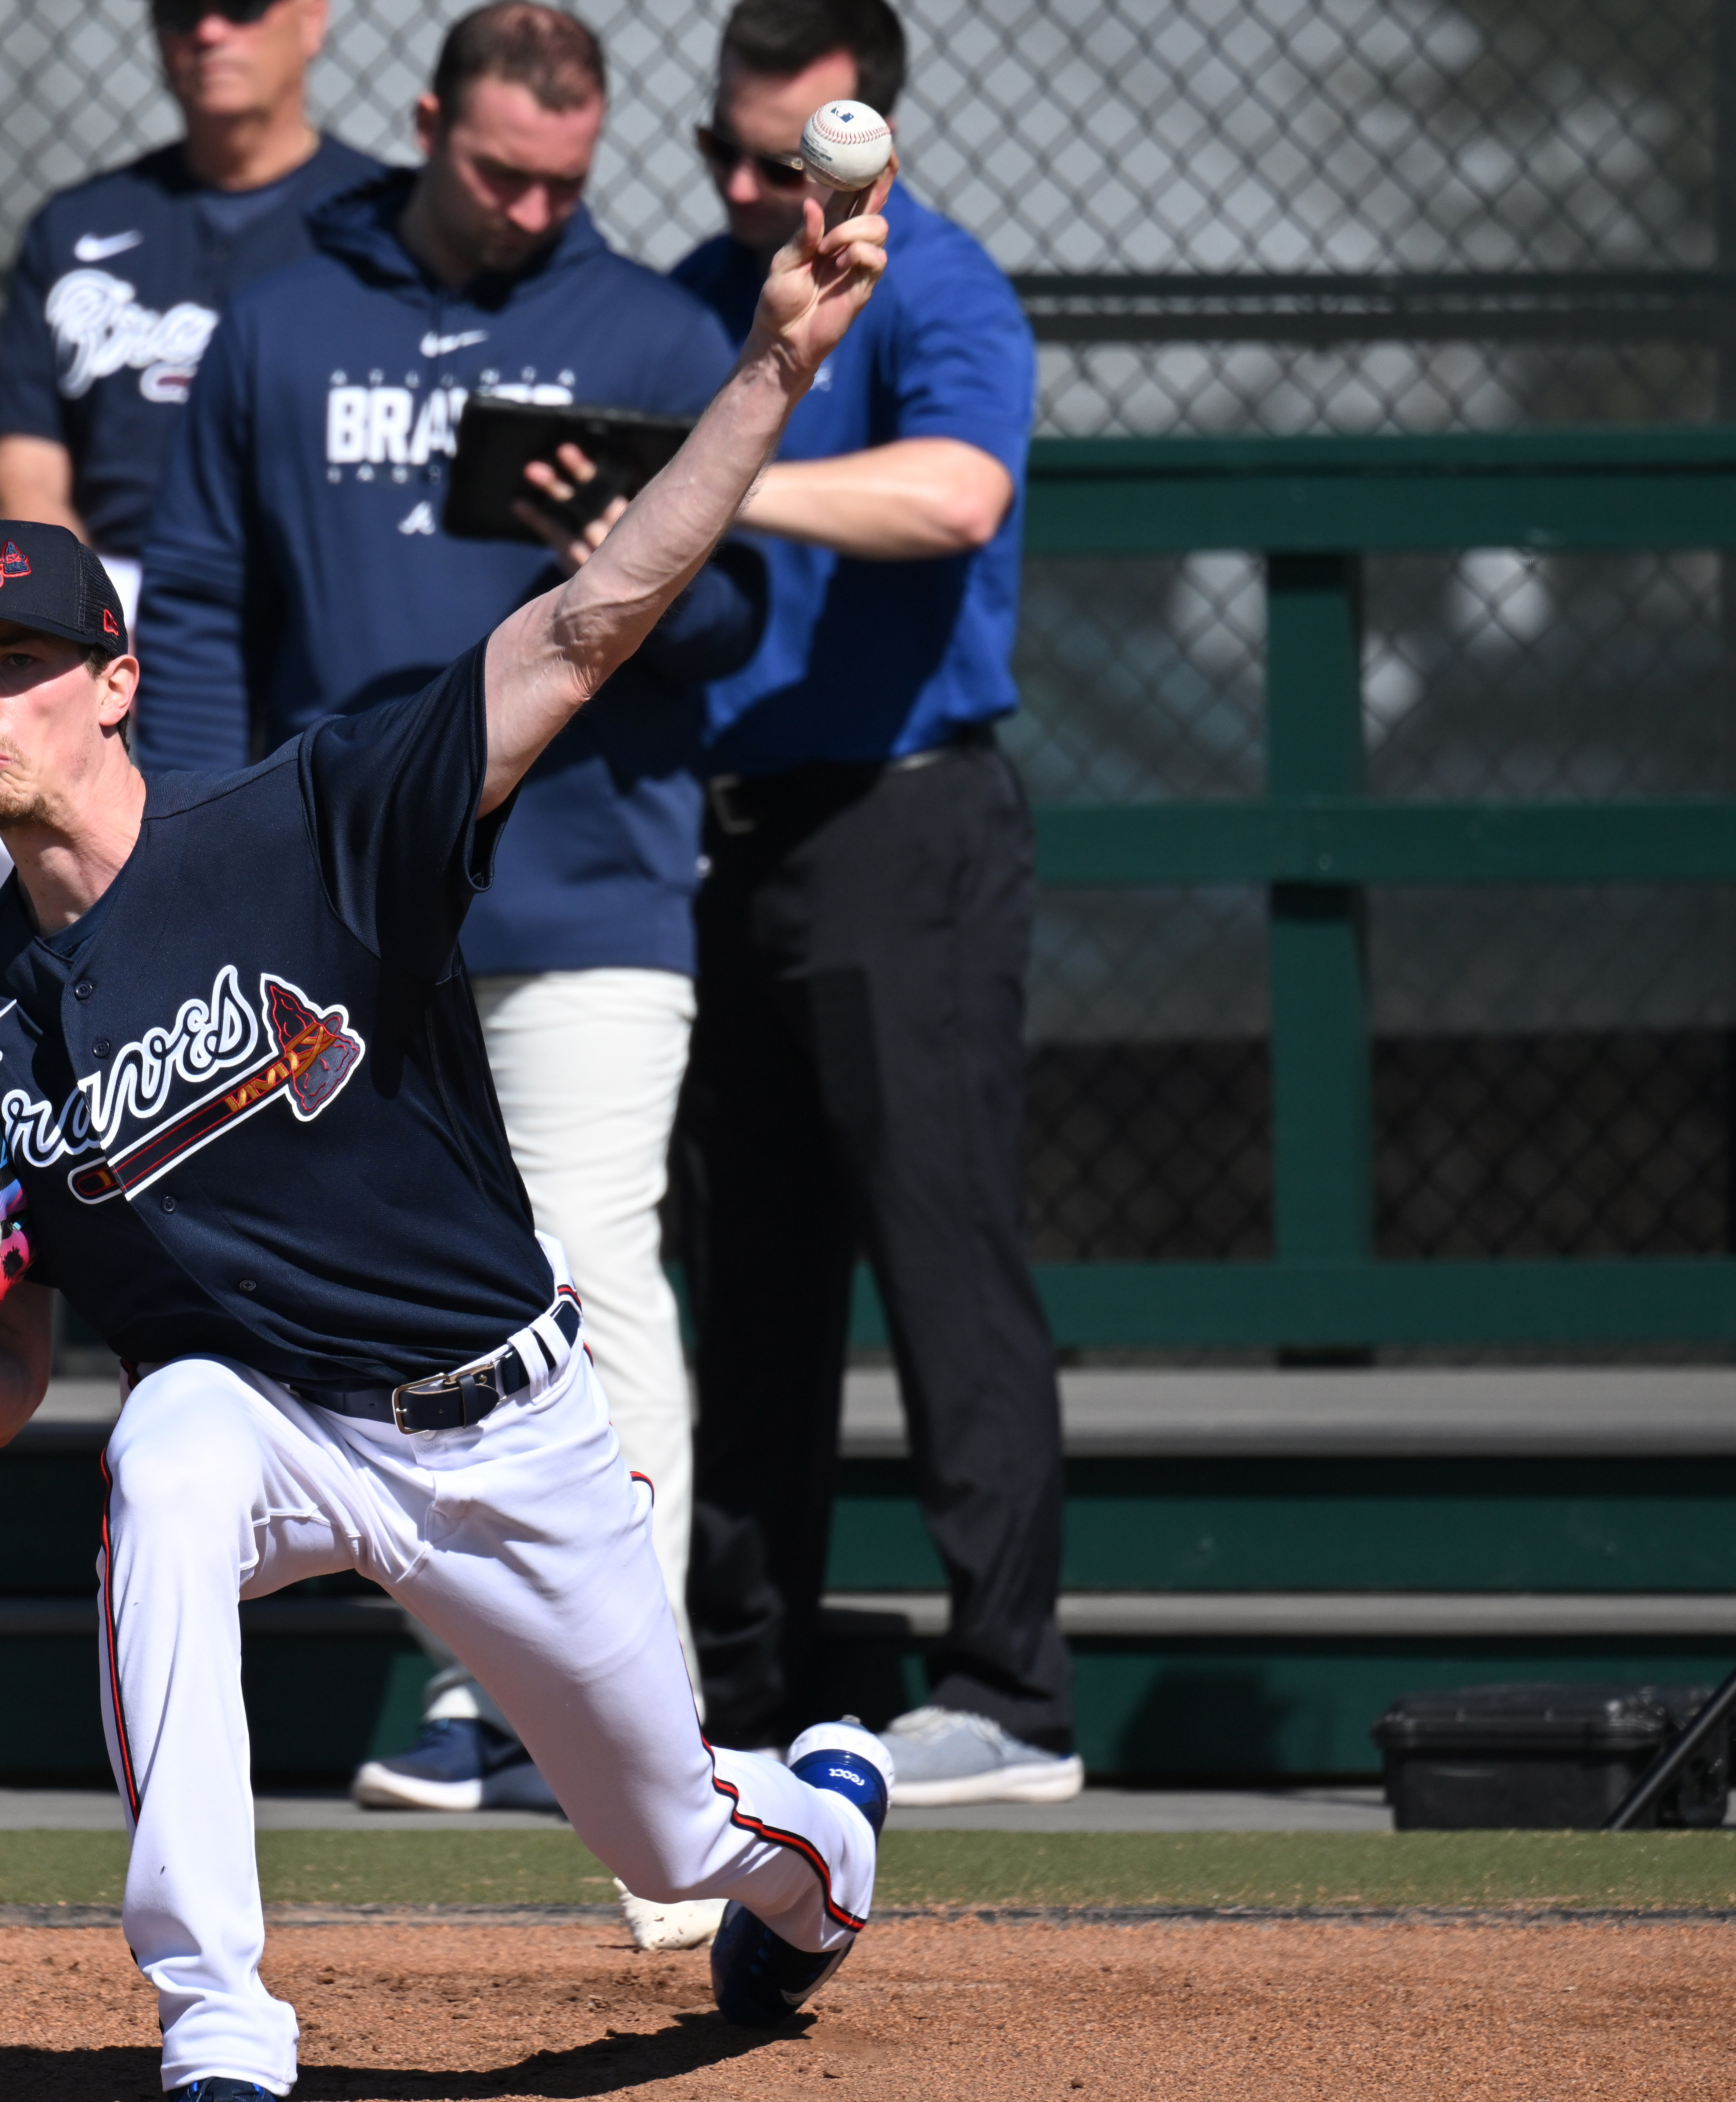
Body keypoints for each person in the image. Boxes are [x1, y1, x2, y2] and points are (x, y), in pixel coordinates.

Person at [0, 163, 891, 2100]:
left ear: (115, 682)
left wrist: (764, 368)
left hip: (500, 1418)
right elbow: (1, 1387)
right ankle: (220, 2014)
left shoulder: (315, 819)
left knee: (685, 1842)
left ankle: (827, 1831)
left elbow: (587, 623)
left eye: (16, 665)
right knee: (160, 1449)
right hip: (277, 1429)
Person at [132, 0, 762, 1814]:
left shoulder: (652, 325)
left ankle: (633, 1702)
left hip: (585, 884)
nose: (537, 207)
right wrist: (190, 841)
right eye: (500, 172)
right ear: (422, 124)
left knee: (590, 1275)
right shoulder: (280, 320)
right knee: (415, 1313)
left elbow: (740, 624)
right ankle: (476, 1692)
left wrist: (623, 565)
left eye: (568, 178)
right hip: (346, 912)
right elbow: (195, 602)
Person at [674, 0, 1080, 1808]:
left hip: (906, 829)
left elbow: (959, 491)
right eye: (728, 153)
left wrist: (725, 479)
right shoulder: (698, 286)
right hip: (722, 838)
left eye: (790, 160)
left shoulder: (943, 289)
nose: (755, 187)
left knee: (943, 1250)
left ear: (869, 148)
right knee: (747, 1285)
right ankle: (736, 1692)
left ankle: (1007, 1691)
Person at [0, 0, 379, 896]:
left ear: (312, 19)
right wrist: (88, 619)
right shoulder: (79, 224)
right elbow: (26, 463)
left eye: (241, 8)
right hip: (119, 576)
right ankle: (94, 906)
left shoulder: (376, 220)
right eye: (179, 11)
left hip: (304, 573)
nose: (207, 32)